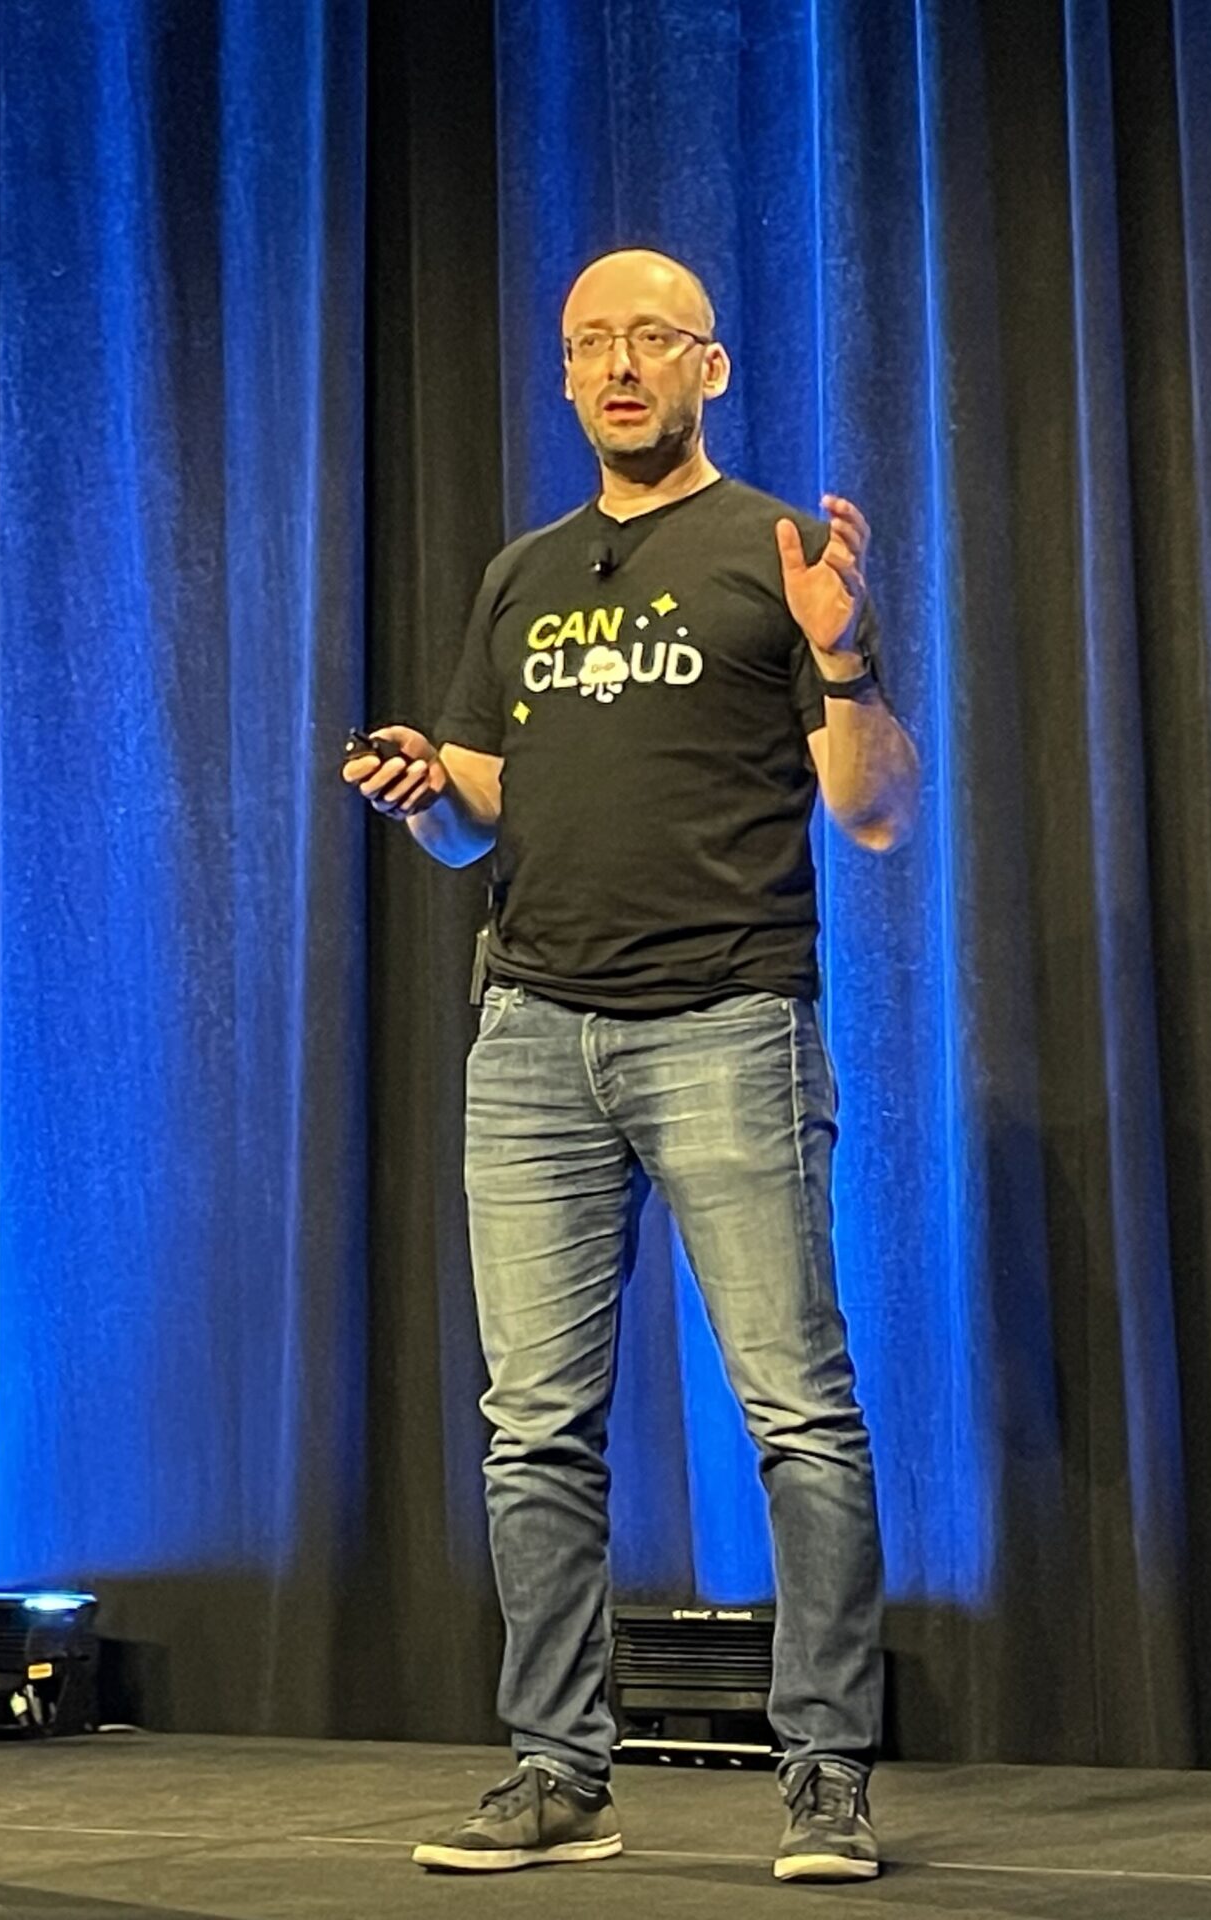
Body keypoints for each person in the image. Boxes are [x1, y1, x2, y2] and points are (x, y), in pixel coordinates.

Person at [345, 248, 921, 1884]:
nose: (617, 367)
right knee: (532, 1428)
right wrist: (423, 791)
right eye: (590, 343)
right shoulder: (522, 575)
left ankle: (824, 1776)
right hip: (531, 1035)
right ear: (564, 372)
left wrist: (842, 659)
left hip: (728, 1023)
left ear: (708, 367)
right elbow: (478, 813)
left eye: (649, 340)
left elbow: (877, 811)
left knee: (797, 1414)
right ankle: (558, 1773)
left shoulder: (776, 554)